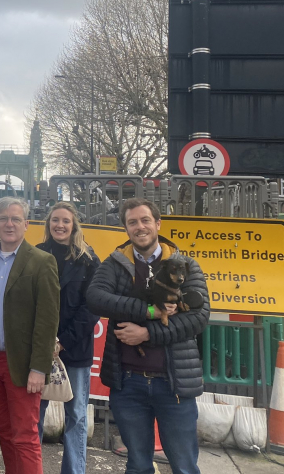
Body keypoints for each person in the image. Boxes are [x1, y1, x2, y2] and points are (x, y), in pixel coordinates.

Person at [86, 198, 209, 474]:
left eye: (144, 220)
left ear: (158, 223)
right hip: (128, 384)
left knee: (184, 466)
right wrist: (150, 310)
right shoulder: (116, 263)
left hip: (174, 384)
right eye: (132, 222)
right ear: (126, 228)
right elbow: (95, 298)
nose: (139, 227)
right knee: (138, 465)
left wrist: (146, 333)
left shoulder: (185, 265)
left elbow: (198, 318)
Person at [0, 197, 59, 474]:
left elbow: (47, 320)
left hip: (22, 363)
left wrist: (39, 367)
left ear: (26, 224)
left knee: (24, 435)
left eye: (15, 219)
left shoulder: (41, 262)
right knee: (4, 431)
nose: (9, 224)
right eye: (3, 218)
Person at [35, 202, 100, 474]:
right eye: (55, 220)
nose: (60, 225)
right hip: (39, 349)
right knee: (34, 414)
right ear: (48, 223)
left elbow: (92, 307)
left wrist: (62, 341)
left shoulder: (89, 260)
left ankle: (74, 471)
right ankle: (30, 467)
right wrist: (45, 342)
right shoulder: (35, 255)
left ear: (75, 226)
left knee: (76, 415)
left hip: (74, 349)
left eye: (66, 221)